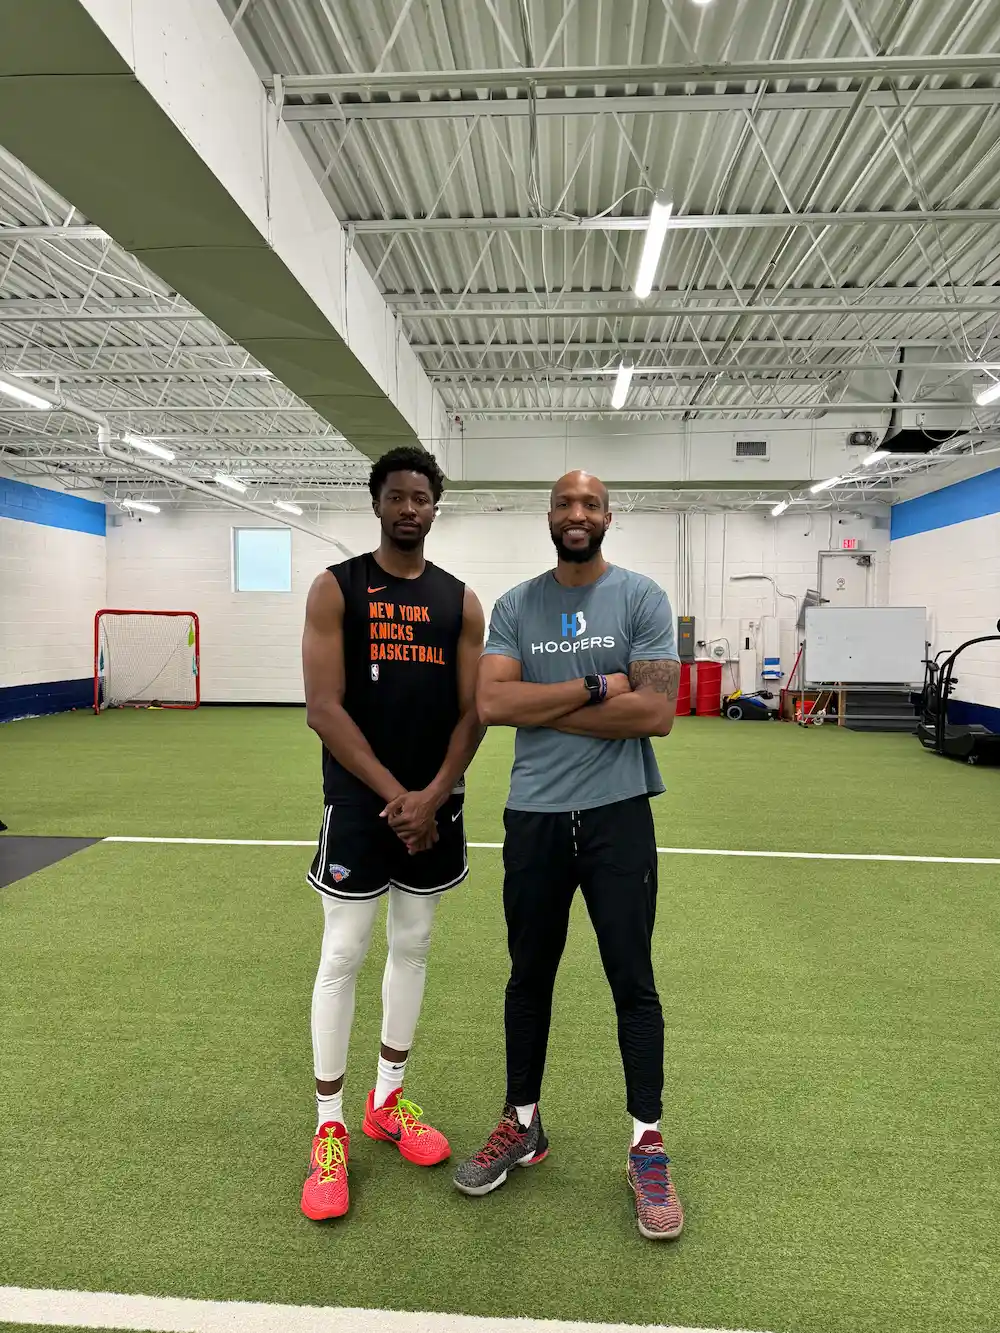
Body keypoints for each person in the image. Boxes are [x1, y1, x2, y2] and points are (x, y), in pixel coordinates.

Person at [453, 469, 684, 1240]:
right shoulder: (518, 604)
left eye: (589, 503)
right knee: (529, 976)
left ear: (608, 515)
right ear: (549, 515)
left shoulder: (644, 598)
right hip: (536, 818)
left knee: (633, 980)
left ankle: (646, 1145)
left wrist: (545, 706)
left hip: (620, 817)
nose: (576, 513)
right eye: (564, 503)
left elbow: (655, 713)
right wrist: (593, 687)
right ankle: (523, 1123)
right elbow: (491, 704)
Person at [299, 445, 485, 1221]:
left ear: (436, 507)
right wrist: (397, 798)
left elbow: (475, 709)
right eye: (398, 496)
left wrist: (433, 795)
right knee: (343, 951)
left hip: (434, 805)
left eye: (423, 497)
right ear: (377, 502)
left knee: (412, 946)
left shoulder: (461, 600)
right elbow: (323, 707)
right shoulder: (336, 588)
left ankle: (387, 1100)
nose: (411, 508)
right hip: (361, 805)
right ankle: (329, 1126)